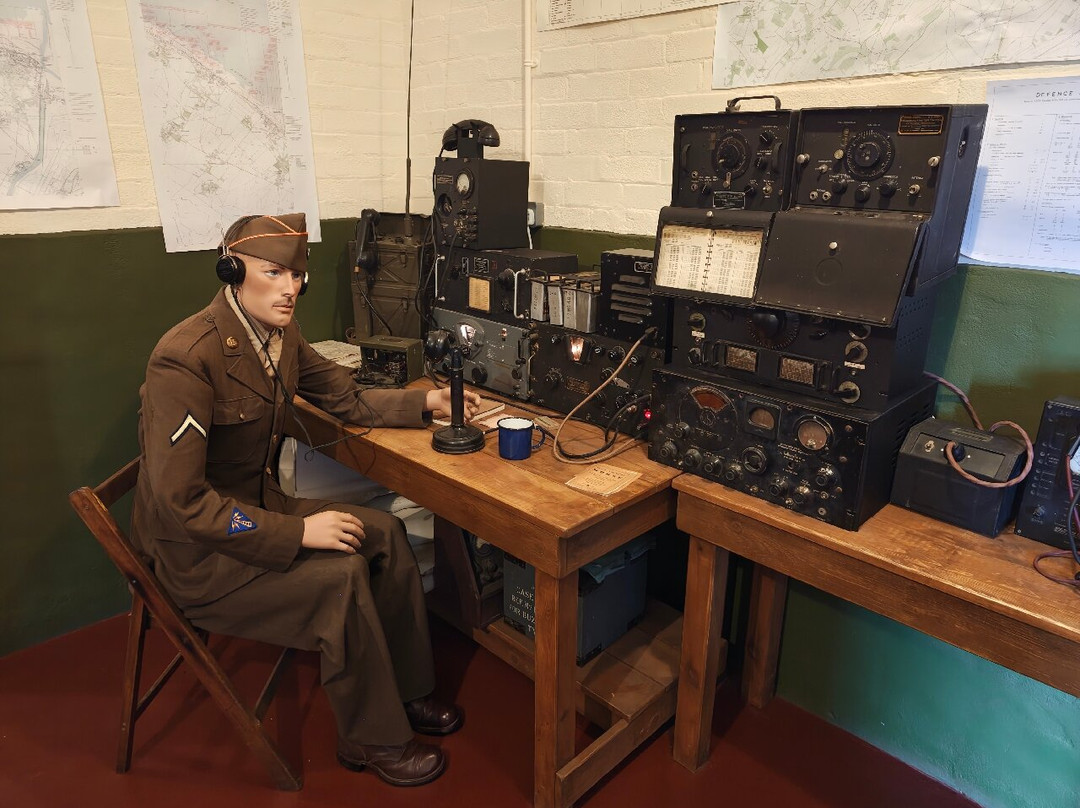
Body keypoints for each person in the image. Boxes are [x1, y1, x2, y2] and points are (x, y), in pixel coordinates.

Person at [131, 212, 480, 787]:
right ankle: (371, 739)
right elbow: (182, 504)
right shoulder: (184, 358)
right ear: (232, 269)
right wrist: (297, 534)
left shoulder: (279, 334)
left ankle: (405, 692)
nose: (291, 289)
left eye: (298, 276)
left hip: (255, 508)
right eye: (275, 273)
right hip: (200, 558)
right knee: (339, 577)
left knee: (385, 535)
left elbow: (344, 398)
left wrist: (425, 404)